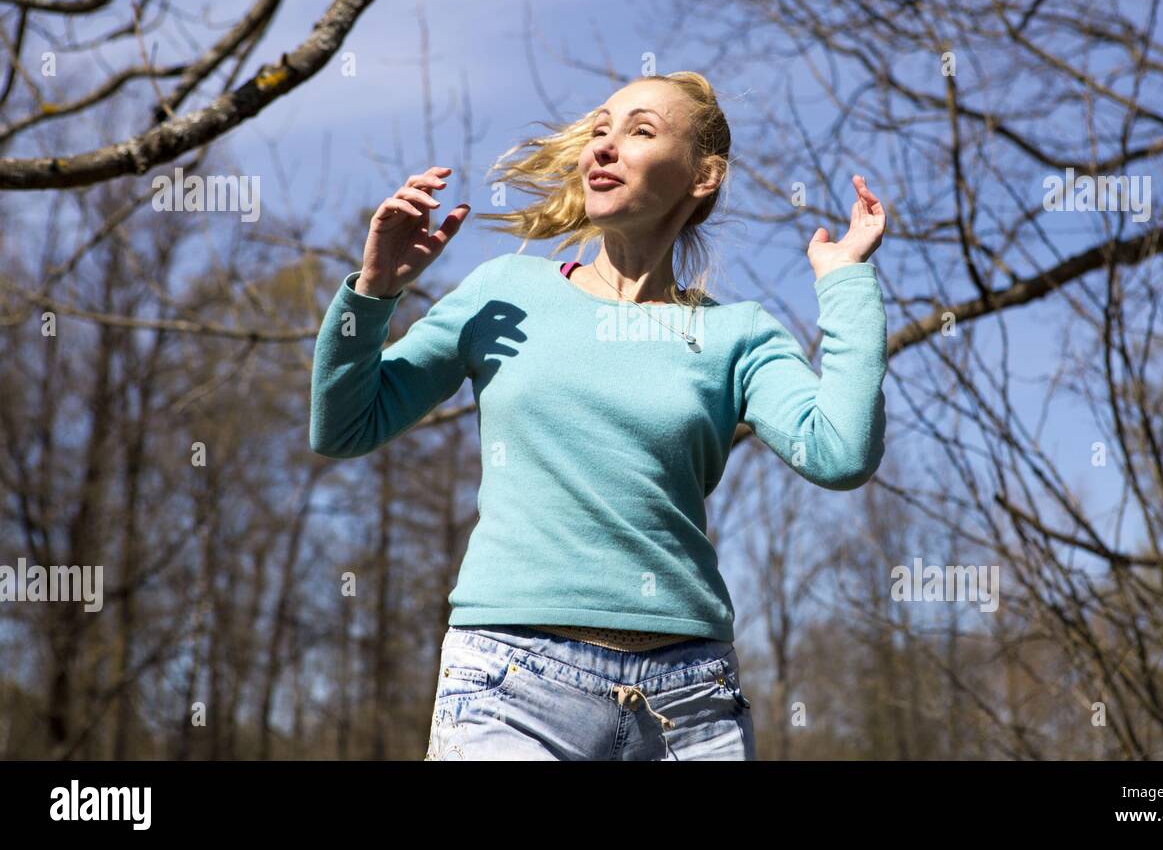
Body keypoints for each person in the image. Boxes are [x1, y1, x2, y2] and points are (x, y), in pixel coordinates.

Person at [309, 70, 888, 760]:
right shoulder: (503, 292)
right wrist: (373, 293)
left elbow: (841, 453)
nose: (604, 148)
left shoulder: (737, 335)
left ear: (704, 177)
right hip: (511, 682)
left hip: (689, 700)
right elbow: (345, 427)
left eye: (641, 131)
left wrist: (846, 280)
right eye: (600, 131)